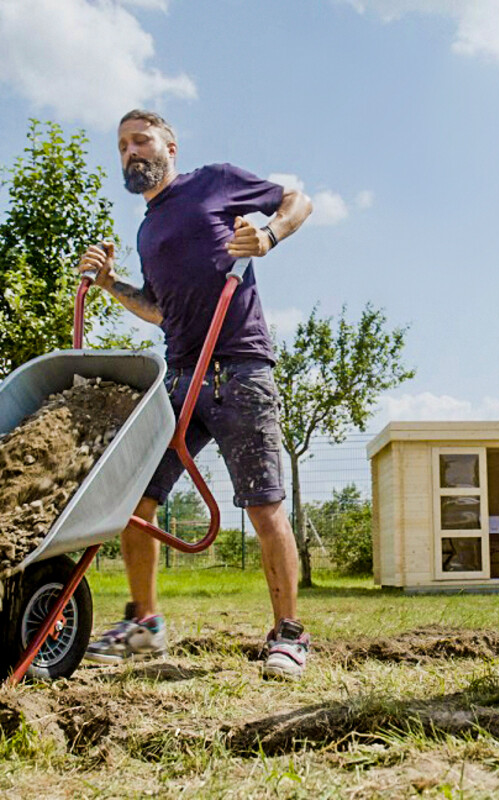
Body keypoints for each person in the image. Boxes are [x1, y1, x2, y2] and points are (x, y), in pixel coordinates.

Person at [78, 109, 313, 680]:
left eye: (142, 140)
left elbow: (298, 199)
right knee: (138, 502)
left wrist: (269, 233)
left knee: (264, 506)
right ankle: (146, 625)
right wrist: (111, 286)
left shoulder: (214, 182)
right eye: (122, 146)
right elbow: (160, 310)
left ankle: (288, 634)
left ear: (170, 145)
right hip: (180, 375)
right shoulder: (146, 229)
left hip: (239, 367)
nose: (132, 151)